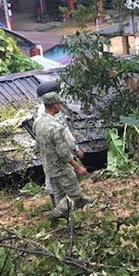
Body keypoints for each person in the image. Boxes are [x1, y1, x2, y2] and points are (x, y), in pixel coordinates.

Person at [33, 92, 90, 227]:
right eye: (59, 104)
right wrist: (78, 167)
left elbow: (38, 145)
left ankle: (62, 225)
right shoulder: (55, 127)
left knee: (59, 197)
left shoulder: (37, 122)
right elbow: (63, 152)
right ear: (55, 105)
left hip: (48, 167)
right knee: (74, 196)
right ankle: (54, 216)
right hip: (61, 168)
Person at [35, 79, 83, 205]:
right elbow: (64, 133)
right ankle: (65, 209)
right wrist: (75, 149)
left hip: (47, 156)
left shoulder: (38, 117)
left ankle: (58, 209)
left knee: (52, 182)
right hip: (58, 156)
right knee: (70, 186)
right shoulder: (54, 118)